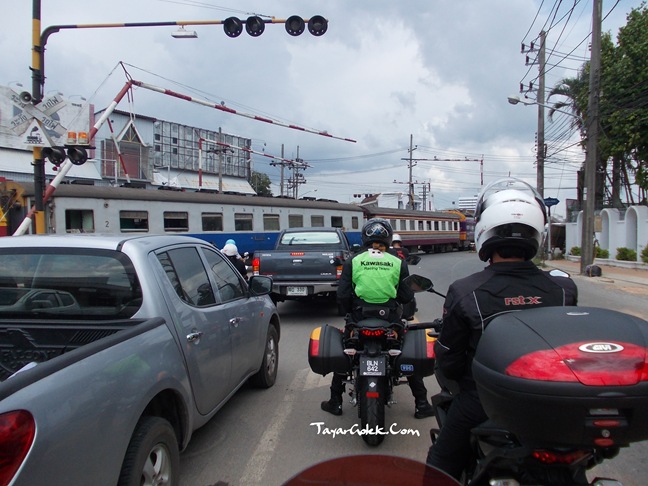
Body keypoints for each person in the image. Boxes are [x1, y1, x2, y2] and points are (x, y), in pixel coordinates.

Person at [425, 178, 578, 480]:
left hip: (485, 400)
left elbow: (450, 361)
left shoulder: (466, 291)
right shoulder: (564, 288)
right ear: (537, 233)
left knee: (442, 459)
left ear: (484, 230)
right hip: (554, 401)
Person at [320, 218, 435, 418]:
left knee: (347, 353)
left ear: (364, 237)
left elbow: (343, 295)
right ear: (388, 238)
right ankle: (422, 404)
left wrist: (350, 312)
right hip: (390, 319)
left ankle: (335, 402)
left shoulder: (353, 260)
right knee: (405, 353)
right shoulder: (398, 262)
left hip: (359, 318)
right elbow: (406, 296)